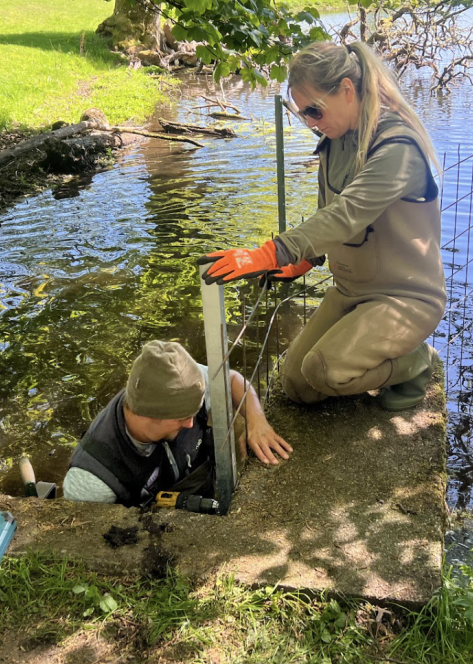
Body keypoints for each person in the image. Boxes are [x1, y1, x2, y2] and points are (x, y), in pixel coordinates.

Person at [198, 41, 446, 411]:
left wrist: (269, 254)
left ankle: (416, 362)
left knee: (324, 370)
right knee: (297, 384)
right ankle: (374, 356)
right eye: (303, 115)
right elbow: (324, 216)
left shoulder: (397, 148)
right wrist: (304, 261)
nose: (310, 122)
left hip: (405, 299)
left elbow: (346, 215)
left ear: (347, 90)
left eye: (314, 110)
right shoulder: (334, 142)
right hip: (350, 291)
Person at [63, 340, 291, 505]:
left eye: (195, 412)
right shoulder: (93, 481)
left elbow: (231, 380)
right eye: (183, 418)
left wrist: (256, 420)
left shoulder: (182, 385)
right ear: (149, 416)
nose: (192, 425)